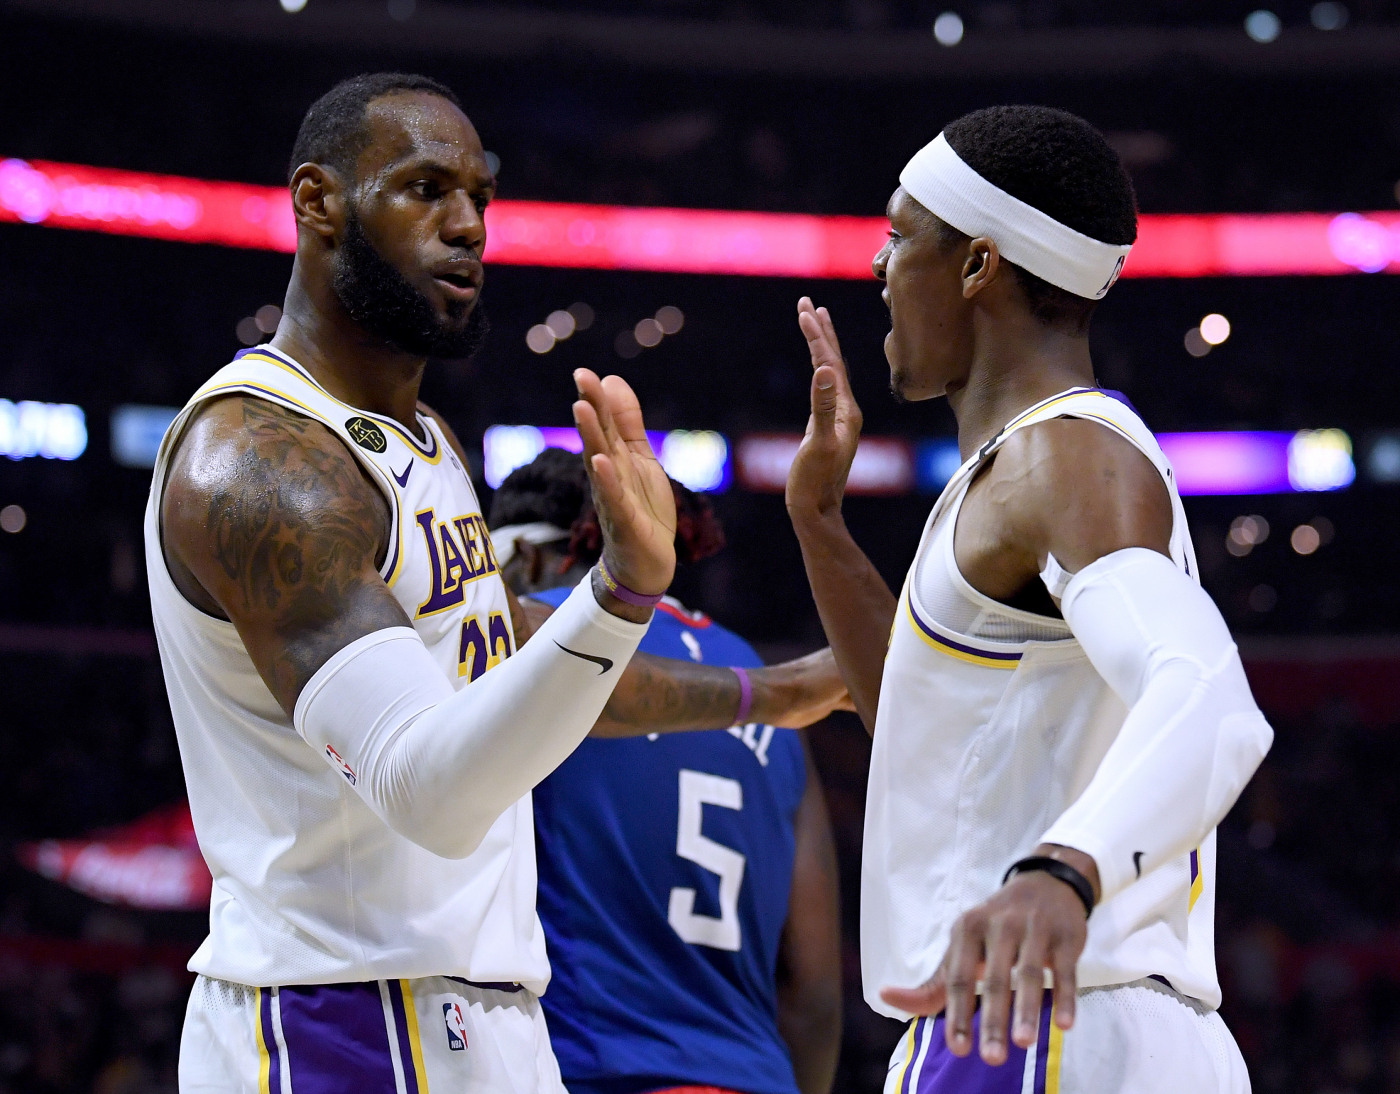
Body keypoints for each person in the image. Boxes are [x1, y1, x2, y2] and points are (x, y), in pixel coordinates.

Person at [148, 72, 839, 1094]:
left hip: (484, 1016)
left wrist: (776, 692)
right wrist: (617, 597)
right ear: (317, 200)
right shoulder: (260, 459)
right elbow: (428, 790)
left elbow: (501, 642)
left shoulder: (423, 441)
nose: (467, 224)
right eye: (425, 188)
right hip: (342, 1020)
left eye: (480, 194)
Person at [784, 105, 1273, 1093]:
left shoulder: (1064, 452)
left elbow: (1207, 691)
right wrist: (819, 520)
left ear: (976, 265)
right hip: (1080, 1025)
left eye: (898, 234)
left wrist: (1062, 869)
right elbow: (926, 730)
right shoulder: (1021, 467)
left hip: (1046, 1022)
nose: (879, 267)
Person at [489, 449, 843, 1094]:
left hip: (588, 1069)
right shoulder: (751, 668)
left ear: (530, 561)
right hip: (752, 1076)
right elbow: (814, 990)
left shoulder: (522, 643)